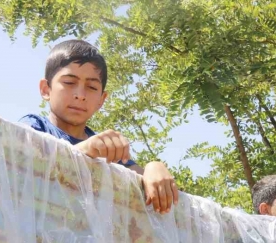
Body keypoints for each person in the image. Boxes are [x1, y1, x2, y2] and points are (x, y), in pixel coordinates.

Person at [20, 39, 178, 214]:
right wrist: (83, 152)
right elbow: (21, 162)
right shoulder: (34, 126)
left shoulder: (107, 152)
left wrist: (154, 167)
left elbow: (141, 178)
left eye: (91, 87)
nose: (80, 95)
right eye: (69, 83)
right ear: (45, 89)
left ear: (101, 100)